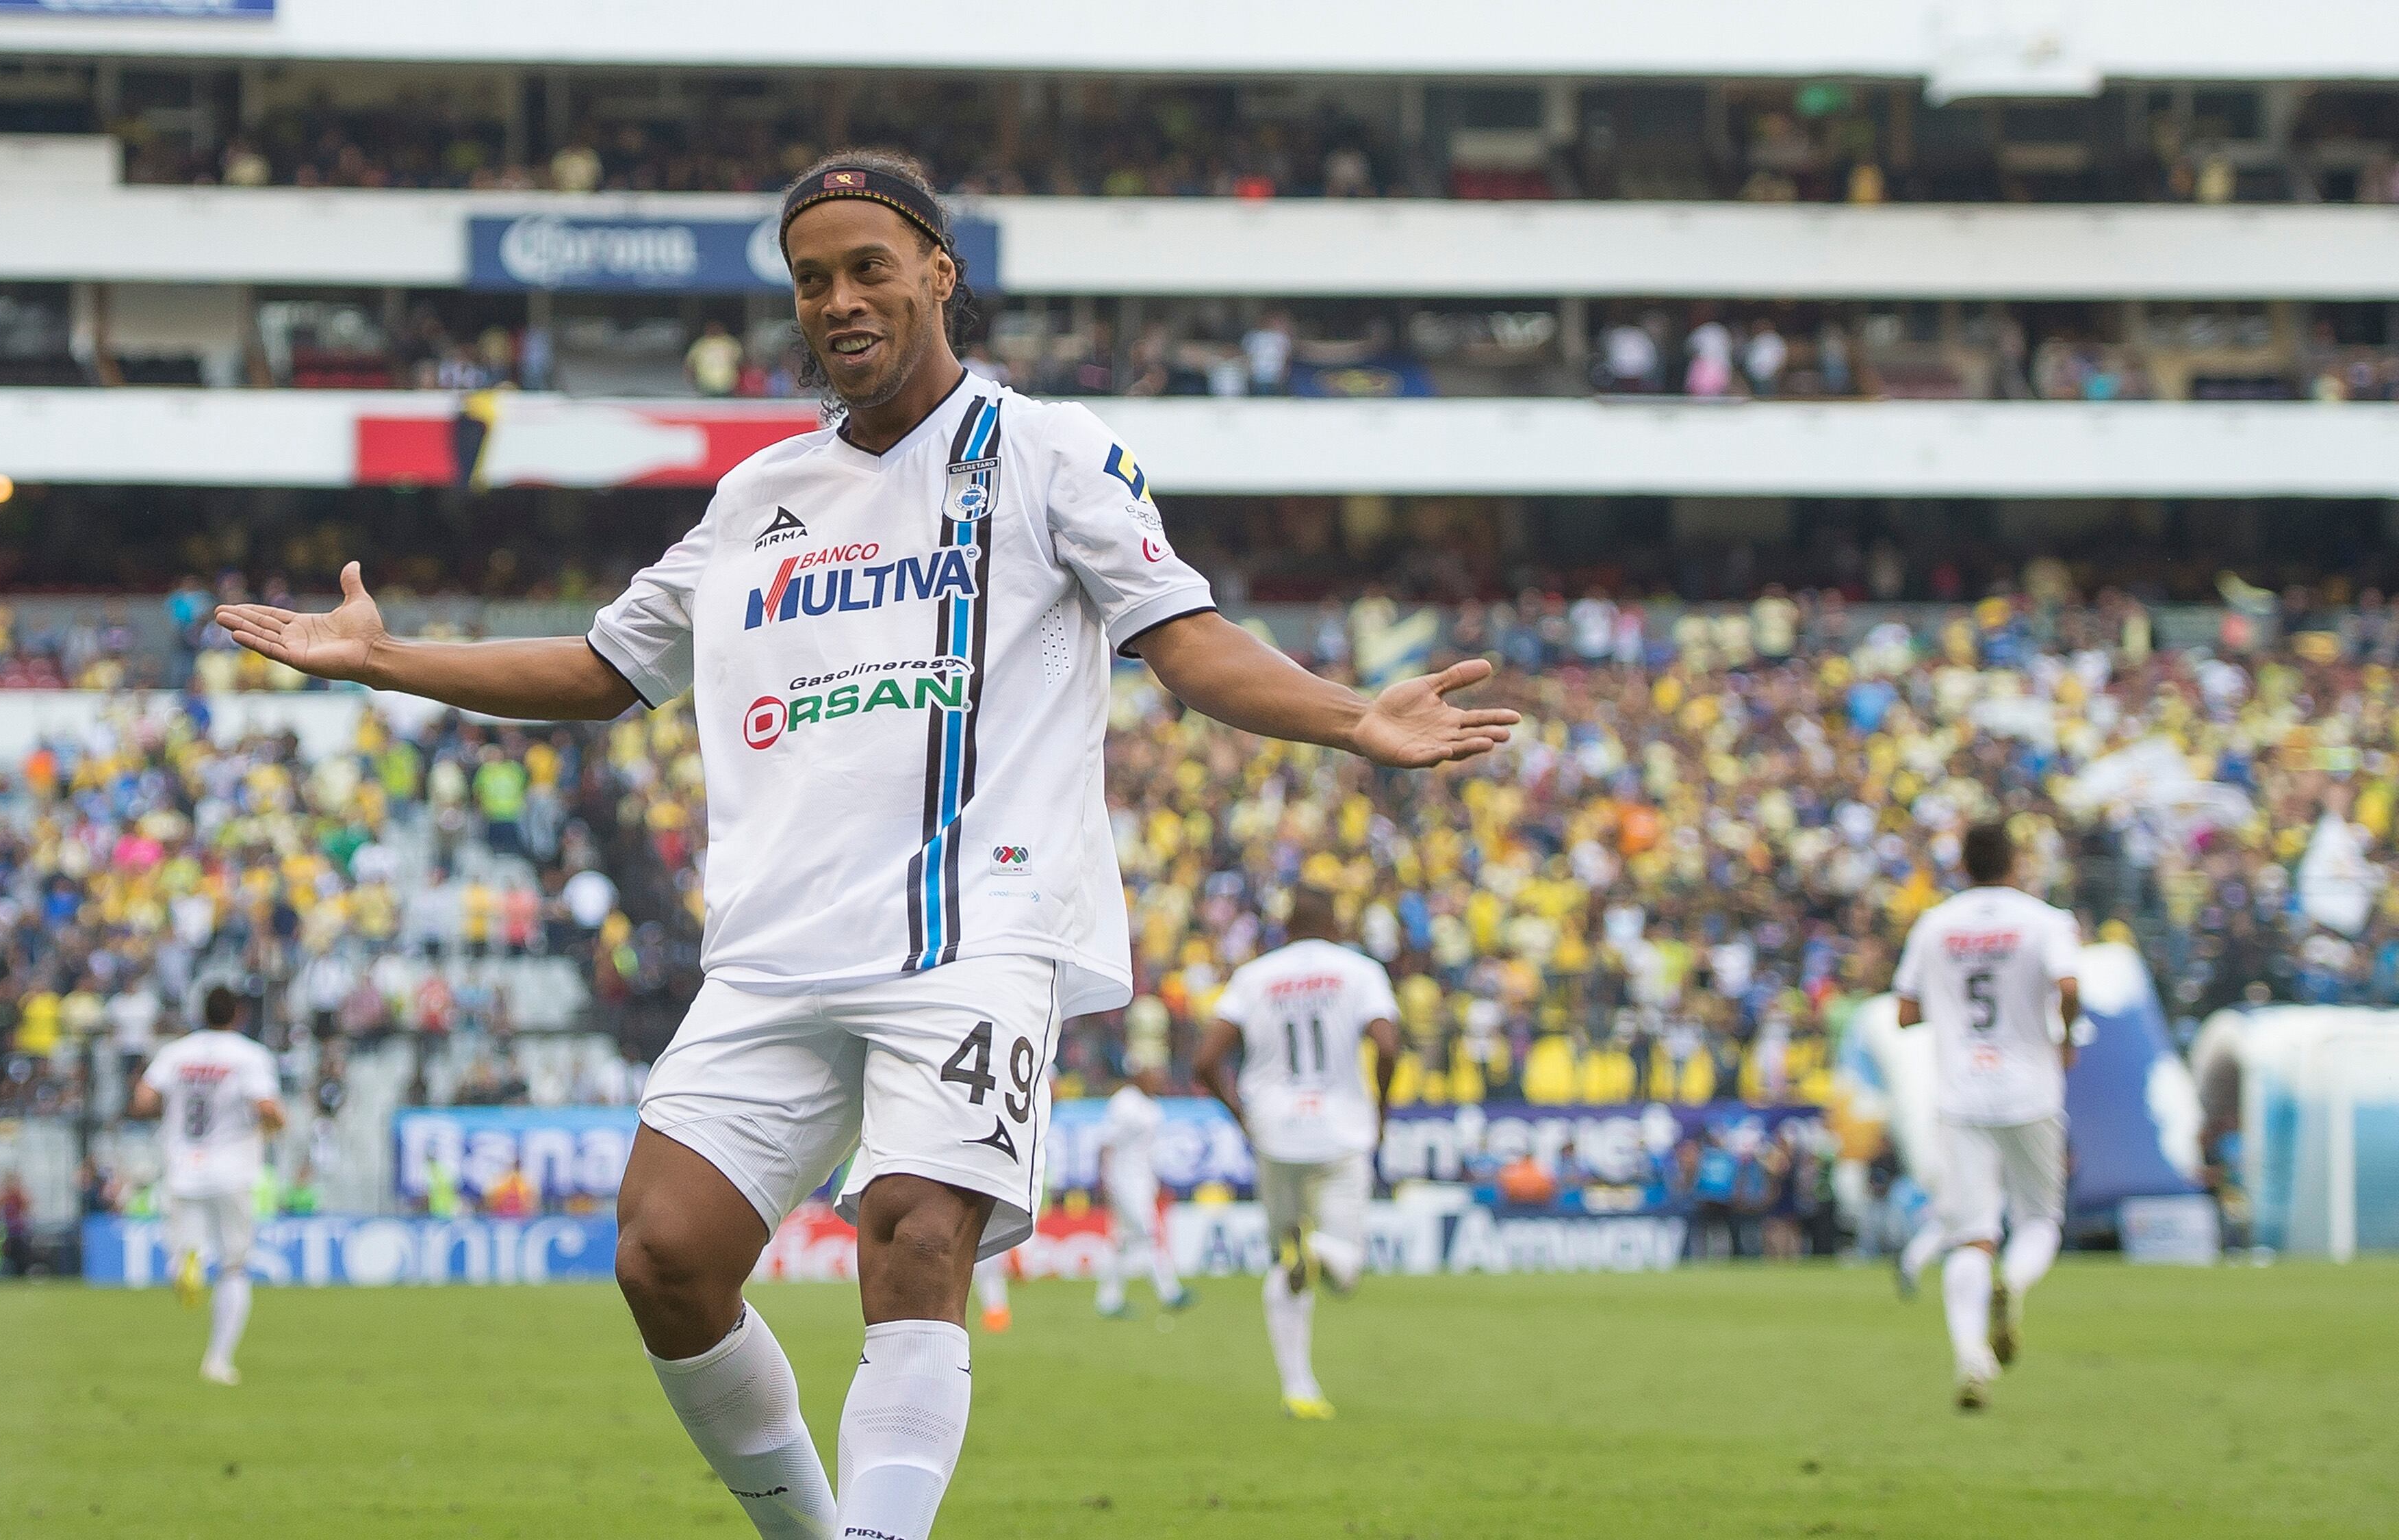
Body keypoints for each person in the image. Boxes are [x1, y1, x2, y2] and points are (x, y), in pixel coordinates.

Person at [215, 148, 1518, 1540]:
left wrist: (1346, 716)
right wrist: (391, 659)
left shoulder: (1049, 452)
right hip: (779, 944)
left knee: (911, 1229)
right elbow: (604, 669)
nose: (837, 300)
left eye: (866, 269)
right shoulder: (755, 497)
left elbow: (1185, 646)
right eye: (811, 279)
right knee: (664, 1255)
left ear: (938, 275)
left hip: (977, 930)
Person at [1890, 822, 2082, 1413]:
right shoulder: (2045, 920)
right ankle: (2016, 1283)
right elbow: (2069, 985)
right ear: (2015, 862)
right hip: (2030, 1090)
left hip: (1961, 1093)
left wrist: (1948, 1011)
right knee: (2040, 1219)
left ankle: (1972, 1357)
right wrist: (2065, 1033)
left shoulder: (1935, 925)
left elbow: (1903, 1011)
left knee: (1970, 1235)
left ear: (1962, 866)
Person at [1194, 886, 1403, 1420]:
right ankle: (1318, 1255)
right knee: (1345, 1267)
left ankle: (1298, 1387)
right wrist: (1379, 1110)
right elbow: (1387, 1045)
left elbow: (1204, 1061)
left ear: (1286, 926)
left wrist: (1244, 1118)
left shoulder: (1255, 975)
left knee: (1285, 1257)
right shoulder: (1358, 971)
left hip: (1275, 1132)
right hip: (1340, 1130)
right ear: (1335, 921)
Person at [129, 985, 287, 1387]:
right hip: (232, 1168)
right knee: (234, 1266)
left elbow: (144, 1099)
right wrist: (273, 1126)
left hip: (184, 1165)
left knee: (184, 1247)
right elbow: (267, 1108)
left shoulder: (177, 1052)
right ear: (238, 1014)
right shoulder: (249, 1055)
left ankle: (186, 1262)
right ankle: (217, 1360)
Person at [1092, 1071, 1190, 1318]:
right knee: (1149, 1233)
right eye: (1151, 1073)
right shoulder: (1124, 1102)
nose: (1158, 1078)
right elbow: (1106, 1143)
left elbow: (1150, 1152)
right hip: (1122, 1181)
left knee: (1123, 1241)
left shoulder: (1152, 1107)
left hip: (1143, 1182)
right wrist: (1103, 1180)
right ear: (1139, 1075)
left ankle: (1109, 1300)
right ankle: (1170, 1292)